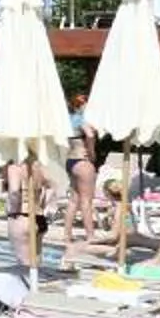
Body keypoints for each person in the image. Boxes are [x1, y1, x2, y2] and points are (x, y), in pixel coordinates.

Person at [4, 155, 51, 281]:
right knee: (36, 263)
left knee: (24, 265)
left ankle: (28, 296)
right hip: (39, 218)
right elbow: (51, 188)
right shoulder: (41, 166)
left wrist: (13, 211)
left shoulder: (15, 167)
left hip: (22, 215)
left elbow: (14, 191)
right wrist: (42, 205)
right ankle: (37, 292)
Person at [65, 95, 100, 246]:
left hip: (70, 161)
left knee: (74, 200)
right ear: (80, 106)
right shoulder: (82, 119)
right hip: (83, 161)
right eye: (86, 105)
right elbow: (90, 135)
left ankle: (67, 234)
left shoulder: (68, 120)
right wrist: (92, 153)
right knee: (87, 201)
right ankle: (90, 235)